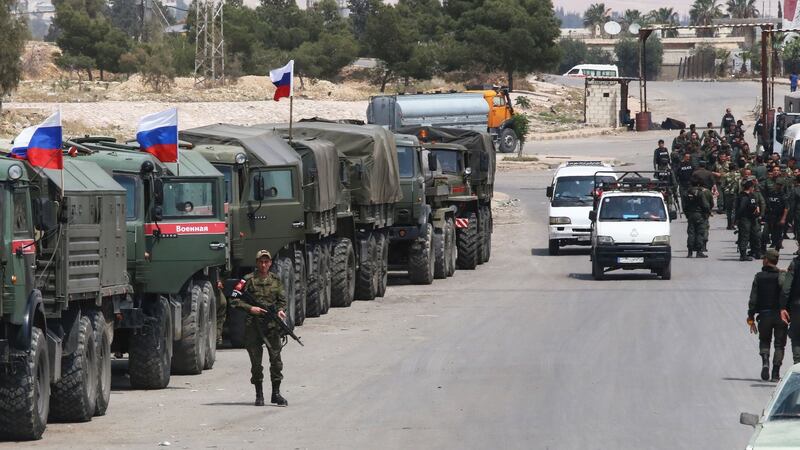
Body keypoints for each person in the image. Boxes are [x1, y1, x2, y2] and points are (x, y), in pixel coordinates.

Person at [231, 250, 289, 407]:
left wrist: (280, 310)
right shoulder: (247, 280)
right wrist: (251, 309)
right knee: (256, 363)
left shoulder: (276, 280)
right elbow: (234, 300)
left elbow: (282, 300)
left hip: (271, 326)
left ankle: (276, 394)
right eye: (261, 262)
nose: (264, 265)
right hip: (254, 326)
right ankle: (259, 394)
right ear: (257, 263)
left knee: (276, 361)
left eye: (266, 262)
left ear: (270, 263)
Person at [750, 249, 788, 381]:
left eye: (764, 258)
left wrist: (750, 316)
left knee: (764, 340)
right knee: (779, 345)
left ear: (767, 260)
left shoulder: (759, 276)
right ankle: (775, 373)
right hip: (781, 316)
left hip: (764, 315)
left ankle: (765, 362)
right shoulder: (782, 276)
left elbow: (753, 299)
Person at [685, 176, 713, 258]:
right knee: (700, 233)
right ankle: (699, 251)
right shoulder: (700, 193)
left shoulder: (687, 192)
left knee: (691, 233)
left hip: (691, 215)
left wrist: (687, 214)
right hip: (700, 215)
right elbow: (706, 205)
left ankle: (690, 252)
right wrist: (707, 212)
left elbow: (684, 206)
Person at [738, 179, 762, 261]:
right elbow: (741, 208)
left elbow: (755, 205)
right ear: (751, 187)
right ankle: (743, 255)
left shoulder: (751, 195)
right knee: (744, 236)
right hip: (745, 219)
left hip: (753, 218)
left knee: (755, 235)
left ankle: (756, 252)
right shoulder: (744, 196)